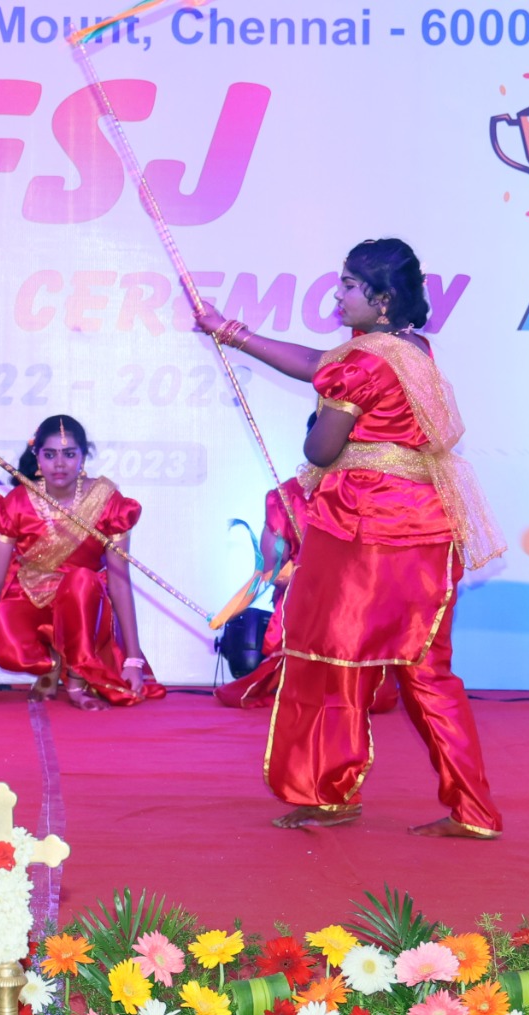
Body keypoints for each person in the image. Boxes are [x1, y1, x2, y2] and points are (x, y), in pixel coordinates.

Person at [197, 238, 506, 839]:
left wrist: (321, 427)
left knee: (329, 661)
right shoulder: (411, 350)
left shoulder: (362, 363)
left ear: (381, 298)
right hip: (427, 529)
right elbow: (319, 362)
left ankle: (327, 792)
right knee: (427, 672)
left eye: (347, 285)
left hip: (363, 529)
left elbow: (320, 450)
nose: (336, 296)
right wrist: (231, 332)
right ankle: (474, 811)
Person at [0, 414, 166, 711]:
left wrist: (133, 660)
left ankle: (76, 680)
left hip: (87, 607)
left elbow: (120, 582)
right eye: (50, 455)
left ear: (83, 456)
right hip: (32, 601)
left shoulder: (107, 502)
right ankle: (53, 662)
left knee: (82, 580)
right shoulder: (16, 503)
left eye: (69, 454)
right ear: (37, 457)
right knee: (8, 643)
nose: (59, 464)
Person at [215, 416, 402, 715]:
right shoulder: (287, 496)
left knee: (376, 699)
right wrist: (306, 575)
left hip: (361, 614)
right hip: (304, 611)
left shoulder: (379, 496)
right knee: (309, 691)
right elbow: (271, 571)